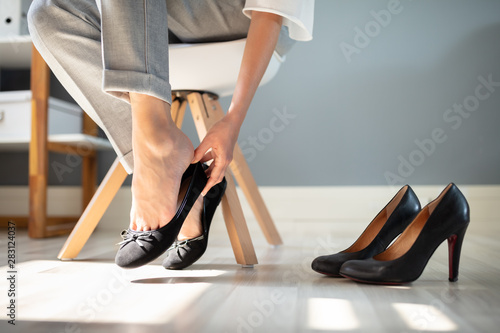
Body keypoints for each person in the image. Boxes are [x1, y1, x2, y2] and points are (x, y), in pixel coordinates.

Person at [28, 0, 314, 268]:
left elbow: (272, 11)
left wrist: (233, 119)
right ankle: (160, 154)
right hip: (156, 16)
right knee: (48, 13)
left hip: (238, 16)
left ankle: (158, 155)